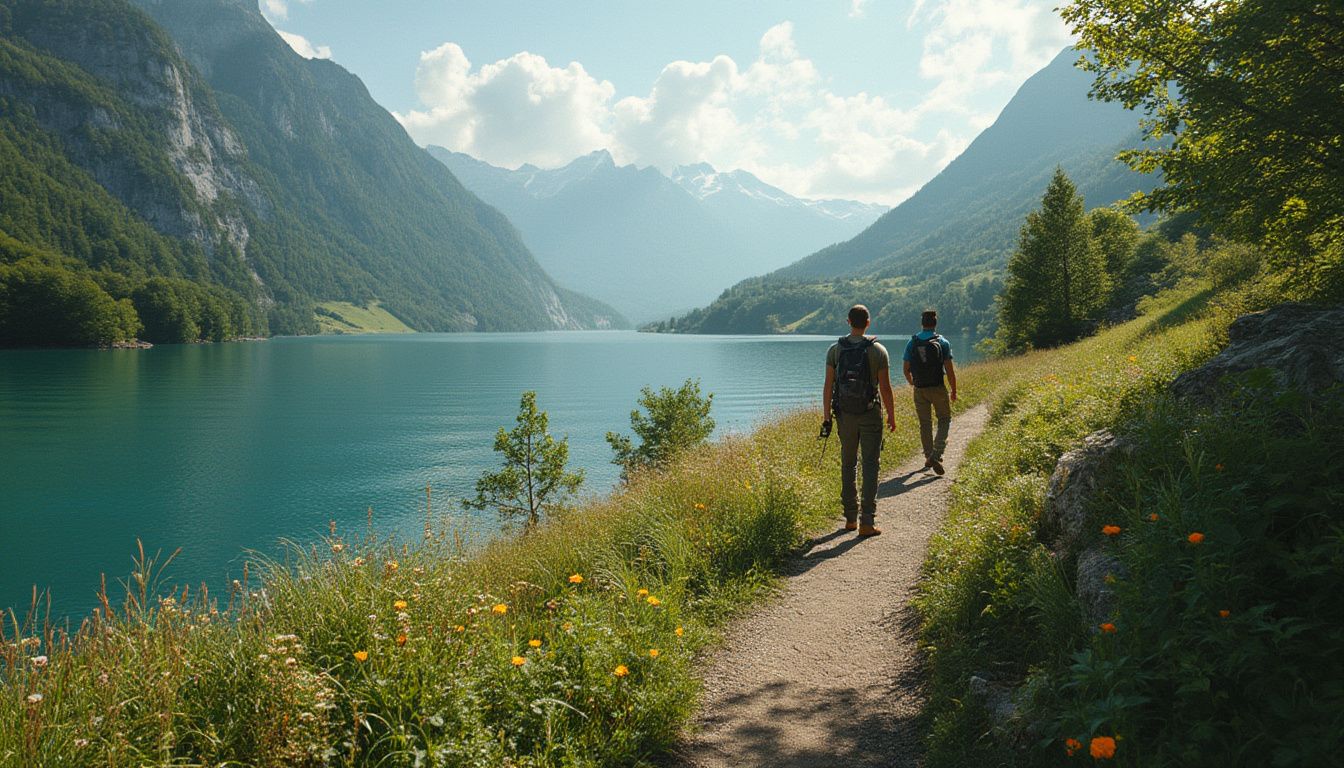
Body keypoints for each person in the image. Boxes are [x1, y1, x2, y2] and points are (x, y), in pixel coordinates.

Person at [821, 305, 895, 537]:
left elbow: (828, 385)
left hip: (845, 415)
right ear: (868, 322)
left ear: (848, 322)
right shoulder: (878, 351)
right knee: (870, 465)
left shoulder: (835, 350)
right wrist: (892, 414)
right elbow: (885, 387)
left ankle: (850, 519)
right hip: (870, 413)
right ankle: (867, 522)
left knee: (848, 463)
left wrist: (826, 416)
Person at [902, 309, 957, 475]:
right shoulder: (943, 342)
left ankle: (928, 456)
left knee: (925, 424)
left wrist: (914, 384)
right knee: (944, 419)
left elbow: (905, 370)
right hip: (938, 387)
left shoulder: (912, 342)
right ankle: (936, 454)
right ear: (935, 323)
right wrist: (953, 390)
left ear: (922, 323)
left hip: (920, 389)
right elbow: (950, 371)